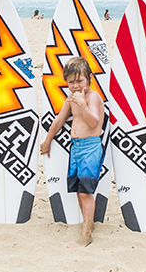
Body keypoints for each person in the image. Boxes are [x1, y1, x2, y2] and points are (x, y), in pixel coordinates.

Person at [40, 57, 105, 247]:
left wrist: (82, 104)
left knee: (86, 192)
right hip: (75, 147)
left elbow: (93, 122)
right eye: (71, 82)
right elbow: (59, 120)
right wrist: (47, 140)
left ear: (89, 79)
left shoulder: (92, 97)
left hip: (90, 146)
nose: (76, 86)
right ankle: (88, 224)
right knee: (78, 190)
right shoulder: (72, 99)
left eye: (80, 81)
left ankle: (86, 235)